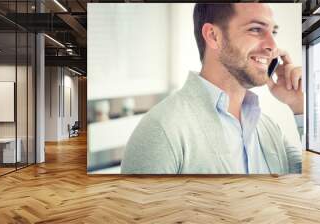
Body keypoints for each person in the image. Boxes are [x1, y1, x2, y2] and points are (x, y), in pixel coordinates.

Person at [121, 3, 303, 174]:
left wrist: (299, 106)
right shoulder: (162, 130)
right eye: (256, 29)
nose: (272, 46)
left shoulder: (270, 129)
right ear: (213, 36)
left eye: (274, 32)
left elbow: (316, 183)